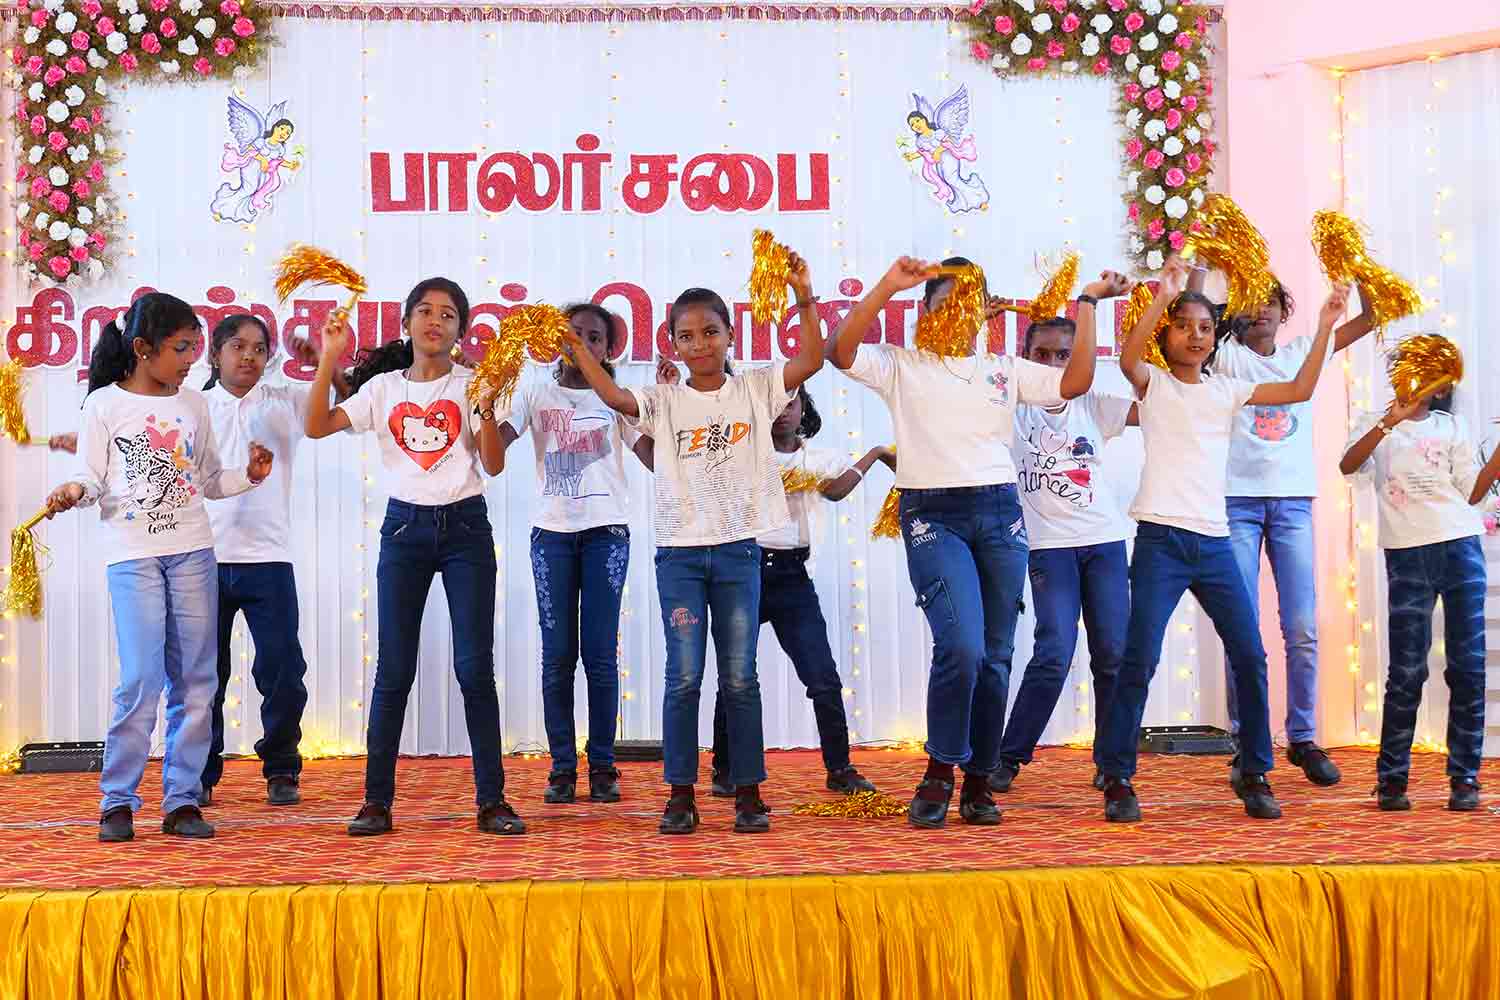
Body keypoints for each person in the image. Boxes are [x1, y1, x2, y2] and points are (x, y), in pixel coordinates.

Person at [828, 256, 1102, 829]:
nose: (955, 313)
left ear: (983, 310)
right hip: (934, 514)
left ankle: (979, 780)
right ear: (925, 310)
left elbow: (1075, 382)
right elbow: (841, 352)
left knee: (997, 656)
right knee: (962, 646)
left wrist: (1088, 305)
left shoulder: (1003, 368)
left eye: (967, 302)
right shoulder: (903, 365)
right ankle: (939, 770)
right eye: (943, 302)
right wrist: (888, 285)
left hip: (1000, 514)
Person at [564, 253, 826, 835]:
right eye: (686, 336)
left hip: (739, 553)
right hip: (680, 555)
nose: (700, 344)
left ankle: (748, 792)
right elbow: (615, 398)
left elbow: (810, 359)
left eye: (710, 332)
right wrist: (579, 349)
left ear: (730, 335)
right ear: (673, 344)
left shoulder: (756, 389)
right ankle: (680, 794)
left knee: (740, 677)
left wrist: (804, 296)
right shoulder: (665, 400)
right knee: (684, 676)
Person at [1096, 257, 1349, 823]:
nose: (1195, 335)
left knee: (1250, 655)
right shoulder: (1154, 383)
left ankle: (1253, 769)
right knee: (1139, 659)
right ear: (1167, 335)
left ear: (1216, 337)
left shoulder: (1228, 390)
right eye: (1184, 326)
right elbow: (1130, 358)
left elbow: (1300, 388)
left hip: (1213, 541)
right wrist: (1165, 293)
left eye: (1206, 327)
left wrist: (1327, 323)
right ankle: (1116, 775)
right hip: (1161, 540)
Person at [44, 293, 273, 842]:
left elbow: (209, 480)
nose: (192, 358)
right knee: (140, 679)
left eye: (195, 347)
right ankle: (117, 800)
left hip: (193, 551)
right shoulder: (104, 404)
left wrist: (250, 475)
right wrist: (74, 489)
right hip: (133, 556)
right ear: (144, 349)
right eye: (182, 348)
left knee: (197, 680)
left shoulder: (194, 404)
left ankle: (183, 799)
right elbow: (92, 477)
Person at [305, 277, 524, 837]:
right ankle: (376, 802)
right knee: (394, 670)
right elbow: (316, 426)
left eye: (448, 314)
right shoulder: (382, 390)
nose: (435, 321)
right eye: (424, 311)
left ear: (460, 331)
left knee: (474, 668)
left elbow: (493, 464)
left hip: (466, 529)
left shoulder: (473, 384)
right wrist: (329, 358)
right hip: (404, 530)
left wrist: (487, 405)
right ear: (405, 324)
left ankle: (492, 800)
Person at [1196, 270, 1374, 787]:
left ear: (1283, 309)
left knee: (1302, 626)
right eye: (1251, 302)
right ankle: (1245, 737)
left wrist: (1355, 269)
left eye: (1271, 301)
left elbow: (1370, 320)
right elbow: (1192, 313)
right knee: (1241, 626)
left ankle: (1302, 737)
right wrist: (1201, 258)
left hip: (1293, 502)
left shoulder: (1301, 351)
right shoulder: (1225, 356)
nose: (1262, 311)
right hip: (1236, 502)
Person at [495, 303, 653, 805]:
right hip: (553, 536)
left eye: (595, 337)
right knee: (558, 656)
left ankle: (602, 765)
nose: (582, 343)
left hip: (607, 533)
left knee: (600, 655)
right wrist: (486, 399)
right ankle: (562, 767)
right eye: (573, 333)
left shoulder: (616, 400)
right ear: (555, 340)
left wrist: (665, 407)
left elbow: (653, 457)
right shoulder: (534, 392)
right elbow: (496, 446)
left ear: (609, 349)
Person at [704, 384, 893, 798]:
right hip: (745, 571)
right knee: (736, 677)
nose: (783, 411)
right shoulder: (743, 454)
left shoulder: (817, 458)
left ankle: (840, 769)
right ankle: (725, 768)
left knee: (823, 676)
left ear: (804, 406)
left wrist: (877, 453)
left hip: (793, 576)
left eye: (790, 402)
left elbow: (835, 489)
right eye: (773, 404)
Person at [1340, 338, 1499, 812]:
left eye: (1427, 374)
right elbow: (1348, 464)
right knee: (1406, 670)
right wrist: (1387, 423)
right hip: (1407, 555)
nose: (1414, 380)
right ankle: (1392, 779)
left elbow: (1472, 493)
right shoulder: (1375, 423)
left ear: (1442, 387)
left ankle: (1464, 777)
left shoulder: (1452, 427)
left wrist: (1496, 460)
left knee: (1467, 666)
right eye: (1406, 368)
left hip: (1460, 547)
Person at [197, 314, 347, 807]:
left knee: (283, 671)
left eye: (259, 348)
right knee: (203, 676)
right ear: (214, 353)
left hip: (269, 559)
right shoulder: (194, 408)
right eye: (237, 346)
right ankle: (200, 771)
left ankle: (282, 767)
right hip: (201, 559)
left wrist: (327, 365)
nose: (248, 356)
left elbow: (345, 406)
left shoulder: (286, 401)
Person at [994, 293, 1134, 794]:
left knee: (1113, 653)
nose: (1053, 364)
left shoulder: (1092, 404)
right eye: (1042, 354)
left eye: (1064, 355)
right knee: (1053, 650)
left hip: (1105, 543)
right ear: (1023, 357)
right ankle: (1009, 756)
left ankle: (1112, 762)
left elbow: (1159, 406)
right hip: (1048, 548)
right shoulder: (1009, 409)